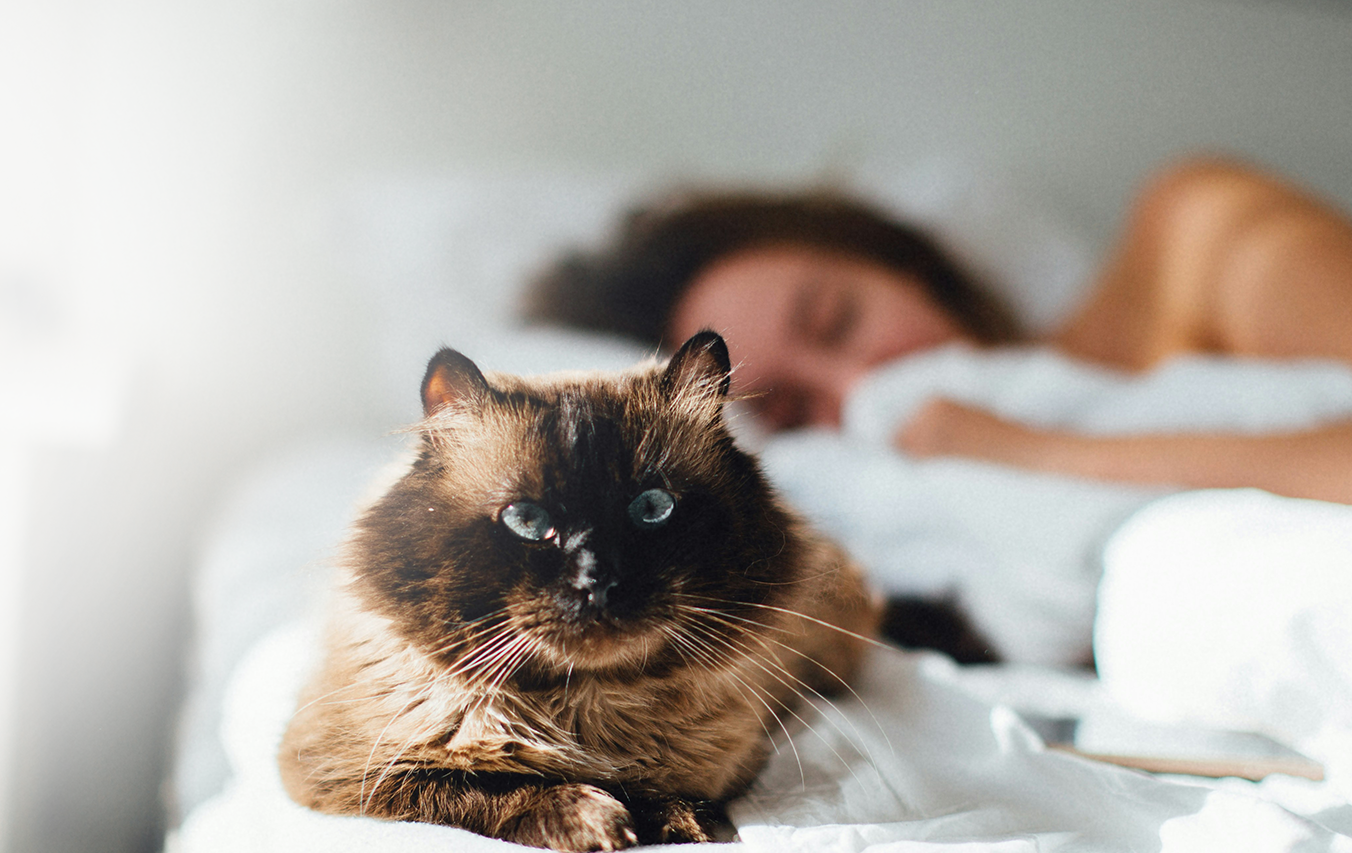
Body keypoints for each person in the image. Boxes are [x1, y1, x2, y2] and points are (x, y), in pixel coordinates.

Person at [525, 156, 1352, 506]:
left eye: (837, 318)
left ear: (899, 261)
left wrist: (1026, 449)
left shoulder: (1197, 239)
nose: (859, 388)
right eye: (798, 413)